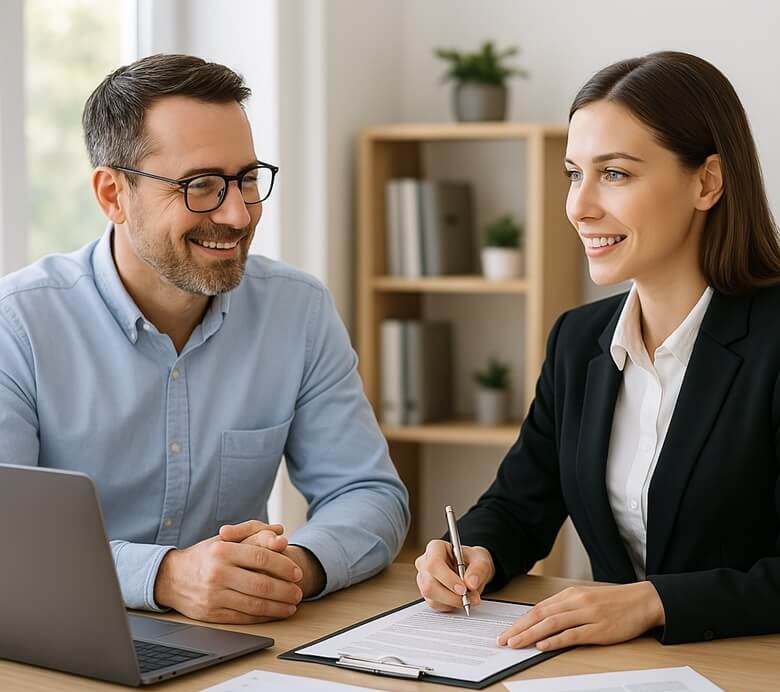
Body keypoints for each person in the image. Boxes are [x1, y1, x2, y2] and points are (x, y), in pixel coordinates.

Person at [0, 54, 409, 624]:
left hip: (236, 647)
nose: (239, 215)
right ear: (113, 195)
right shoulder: (15, 326)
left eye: (245, 179)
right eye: (202, 186)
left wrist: (289, 568)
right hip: (62, 642)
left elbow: (369, 494)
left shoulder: (297, 310)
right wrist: (166, 577)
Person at [416, 50, 780, 647]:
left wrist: (654, 602)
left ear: (707, 181)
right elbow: (518, 506)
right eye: (573, 173)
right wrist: (471, 552)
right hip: (617, 679)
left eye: (614, 174)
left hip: (753, 679)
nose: (579, 206)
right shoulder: (578, 341)